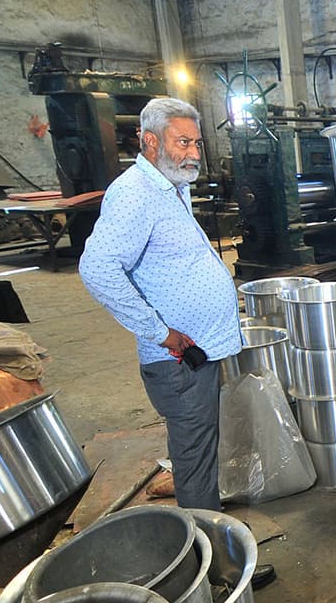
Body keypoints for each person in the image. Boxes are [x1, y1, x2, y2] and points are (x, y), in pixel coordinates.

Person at [78, 97, 241, 512]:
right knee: (195, 460)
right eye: (182, 142)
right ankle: (208, 547)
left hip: (197, 351)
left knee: (198, 450)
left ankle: (208, 533)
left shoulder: (170, 186)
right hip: (178, 358)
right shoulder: (135, 193)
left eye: (196, 143)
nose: (194, 153)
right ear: (150, 141)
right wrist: (160, 332)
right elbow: (97, 268)